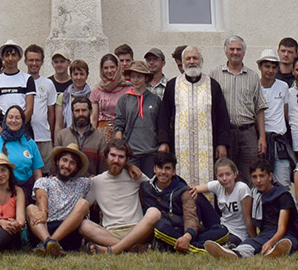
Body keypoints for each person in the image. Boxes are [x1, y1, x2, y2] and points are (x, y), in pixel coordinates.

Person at [157, 47, 231, 187]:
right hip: (179, 146)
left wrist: (222, 143)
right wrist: (163, 141)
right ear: (182, 62)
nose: (192, 62)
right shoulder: (173, 85)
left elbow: (222, 117)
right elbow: (164, 116)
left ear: (201, 61)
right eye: (188, 59)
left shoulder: (212, 85)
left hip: (208, 146)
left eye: (195, 58)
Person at [80, 140, 163, 253]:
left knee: (154, 213)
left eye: (121, 157)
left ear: (127, 160)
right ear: (106, 156)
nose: (116, 160)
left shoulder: (135, 175)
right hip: (110, 232)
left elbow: (156, 188)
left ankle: (113, 250)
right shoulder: (96, 182)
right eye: (113, 155)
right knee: (84, 225)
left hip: (138, 230)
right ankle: (132, 248)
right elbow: (83, 207)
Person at [204, 158, 294, 258]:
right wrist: (255, 239)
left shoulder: (282, 195)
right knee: (248, 244)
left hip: (285, 233)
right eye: (254, 177)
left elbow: (282, 228)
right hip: (265, 234)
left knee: (286, 242)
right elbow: (251, 221)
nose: (258, 181)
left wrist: (270, 242)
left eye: (262, 176)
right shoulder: (255, 194)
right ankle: (234, 253)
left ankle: (275, 250)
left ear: (270, 176)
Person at [144, 147, 224, 253]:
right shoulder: (145, 188)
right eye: (160, 168)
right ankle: (200, 249)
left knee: (223, 231)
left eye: (167, 168)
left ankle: (189, 246)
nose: (163, 172)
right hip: (167, 231)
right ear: (154, 169)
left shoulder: (183, 190)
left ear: (174, 172)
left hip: (186, 232)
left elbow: (190, 215)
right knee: (159, 227)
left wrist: (187, 237)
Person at [213, 36, 266, 182]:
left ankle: (248, 205)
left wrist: (262, 137)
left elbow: (260, 108)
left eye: (239, 49)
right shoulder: (215, 75)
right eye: (232, 49)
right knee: (225, 175)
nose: (235, 52)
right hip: (225, 133)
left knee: (250, 175)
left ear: (244, 52)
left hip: (248, 133)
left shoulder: (253, 76)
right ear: (225, 51)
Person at [29, 144, 92, 256]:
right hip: (44, 229)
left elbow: (107, 177)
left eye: (72, 163)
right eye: (64, 160)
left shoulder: (83, 183)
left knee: (84, 203)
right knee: (31, 208)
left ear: (76, 168)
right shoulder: (44, 181)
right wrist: (43, 211)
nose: (67, 165)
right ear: (57, 161)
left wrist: (129, 167)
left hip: (68, 233)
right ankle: (48, 241)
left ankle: (49, 243)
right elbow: (41, 196)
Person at [112, 63, 162, 176]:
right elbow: (119, 123)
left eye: (139, 76)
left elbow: (160, 125)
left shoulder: (155, 100)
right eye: (133, 76)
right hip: (131, 152)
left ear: (146, 78)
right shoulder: (124, 99)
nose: (136, 80)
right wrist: (120, 146)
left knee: (148, 185)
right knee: (131, 184)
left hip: (150, 151)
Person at [194, 156, 255, 246]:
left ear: (235, 174)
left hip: (237, 233)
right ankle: (193, 232)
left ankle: (197, 242)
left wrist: (254, 240)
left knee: (225, 242)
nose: (224, 178)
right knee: (196, 196)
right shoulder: (217, 185)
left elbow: (248, 218)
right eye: (221, 175)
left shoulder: (242, 188)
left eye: (228, 174)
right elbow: (194, 189)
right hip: (221, 226)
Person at [255, 49, 294, 186]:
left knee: (283, 184)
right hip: (260, 141)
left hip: (279, 141)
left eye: (273, 67)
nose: (270, 70)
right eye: (267, 66)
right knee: (260, 184)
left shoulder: (283, 86)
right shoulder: (254, 86)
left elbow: (285, 113)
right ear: (260, 67)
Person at [0, 104, 43, 186]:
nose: (13, 121)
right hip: (2, 190)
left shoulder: (30, 142)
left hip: (26, 189)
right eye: (10, 117)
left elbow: (37, 172)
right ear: (5, 120)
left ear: (23, 121)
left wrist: (38, 190)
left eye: (17, 118)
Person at [0, 43, 35, 133]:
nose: (10, 59)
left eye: (13, 55)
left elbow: (29, 109)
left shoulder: (27, 79)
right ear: (2, 58)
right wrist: (0, 131)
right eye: (7, 55)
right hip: (3, 126)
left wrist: (18, 128)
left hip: (23, 128)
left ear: (19, 57)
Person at [52, 95, 104, 172]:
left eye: (84, 110)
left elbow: (103, 168)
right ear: (72, 113)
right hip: (65, 182)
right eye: (77, 111)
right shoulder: (62, 135)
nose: (81, 114)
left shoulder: (100, 138)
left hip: (90, 182)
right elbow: (54, 165)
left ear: (91, 111)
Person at [25, 45, 57, 164]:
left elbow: (51, 113)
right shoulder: (20, 81)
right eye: (31, 60)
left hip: (44, 137)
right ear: (25, 61)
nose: (34, 63)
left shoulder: (48, 84)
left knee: (44, 174)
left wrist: (51, 136)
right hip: (25, 138)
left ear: (42, 62)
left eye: (37, 60)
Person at [91, 53, 127, 134]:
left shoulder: (127, 88)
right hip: (102, 134)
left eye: (112, 67)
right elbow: (93, 118)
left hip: (123, 133)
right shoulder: (97, 90)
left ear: (118, 68)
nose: (109, 71)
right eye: (106, 68)